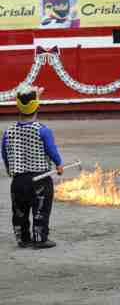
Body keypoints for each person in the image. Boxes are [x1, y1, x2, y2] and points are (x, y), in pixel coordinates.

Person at [1, 86, 64, 249]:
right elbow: (52, 151)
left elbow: (5, 154)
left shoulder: (8, 132)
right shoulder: (43, 130)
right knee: (40, 210)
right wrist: (59, 164)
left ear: (17, 107)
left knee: (19, 211)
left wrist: (10, 170)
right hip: (40, 179)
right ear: (37, 106)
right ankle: (40, 238)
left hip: (19, 180)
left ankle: (23, 238)